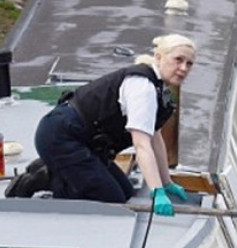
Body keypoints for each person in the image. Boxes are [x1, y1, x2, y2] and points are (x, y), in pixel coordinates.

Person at [32, 33, 195, 215]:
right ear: (159, 57)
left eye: (189, 63)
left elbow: (155, 139)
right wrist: (156, 192)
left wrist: (166, 183)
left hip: (84, 141)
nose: (183, 68)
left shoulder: (157, 87)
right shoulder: (143, 88)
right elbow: (142, 145)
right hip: (60, 137)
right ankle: (46, 181)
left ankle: (63, 171)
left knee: (125, 191)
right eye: (178, 60)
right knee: (110, 198)